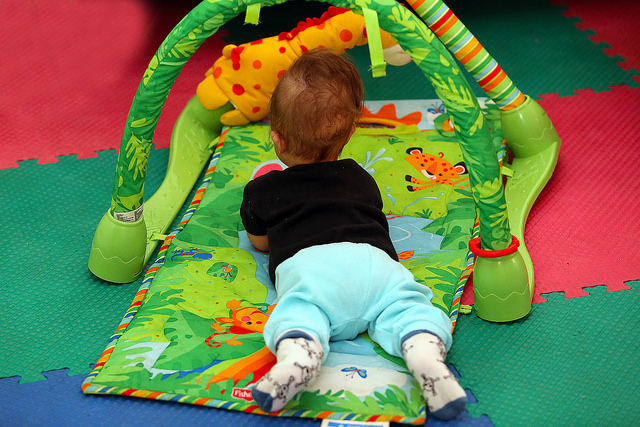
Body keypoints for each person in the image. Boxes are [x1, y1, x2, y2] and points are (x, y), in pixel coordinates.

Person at [240, 49, 467, 420]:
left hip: (312, 272)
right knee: (406, 308)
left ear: (276, 139)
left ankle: (299, 356)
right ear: (349, 133)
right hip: (374, 264)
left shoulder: (263, 191)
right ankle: (423, 351)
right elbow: (373, 216)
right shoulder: (361, 178)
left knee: (299, 315)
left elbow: (261, 243)